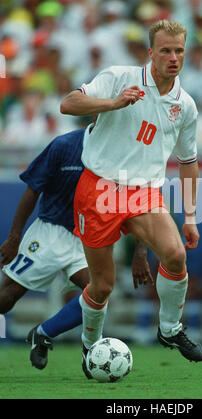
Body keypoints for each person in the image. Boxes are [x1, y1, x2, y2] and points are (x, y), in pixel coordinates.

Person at [60, 20, 202, 374]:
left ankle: (170, 329)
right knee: (102, 285)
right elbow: (68, 104)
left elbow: (188, 163)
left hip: (143, 192)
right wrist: (111, 103)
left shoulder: (185, 106)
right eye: (166, 50)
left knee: (174, 254)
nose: (173, 58)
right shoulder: (118, 76)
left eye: (179, 51)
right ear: (150, 52)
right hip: (99, 188)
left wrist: (190, 217)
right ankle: (89, 346)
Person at [0, 126, 151, 370]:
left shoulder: (124, 152)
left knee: (99, 291)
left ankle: (61, 340)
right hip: (51, 231)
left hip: (88, 237)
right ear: (96, 114)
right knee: (7, 296)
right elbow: (32, 190)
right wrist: (14, 236)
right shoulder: (63, 146)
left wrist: (141, 251)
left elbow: (141, 201)